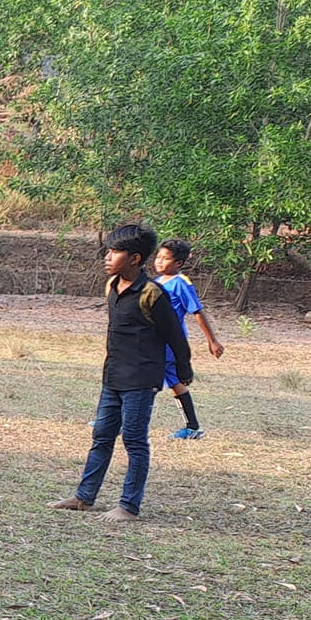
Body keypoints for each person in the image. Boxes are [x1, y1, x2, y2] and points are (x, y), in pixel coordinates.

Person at [51, 222, 194, 521]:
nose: (107, 257)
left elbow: (176, 337)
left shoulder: (152, 293)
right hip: (114, 376)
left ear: (135, 259)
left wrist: (183, 370)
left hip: (141, 379)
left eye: (115, 252)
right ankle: (84, 497)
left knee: (134, 441)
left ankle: (129, 506)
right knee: (102, 437)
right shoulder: (112, 286)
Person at [153, 240, 224, 439]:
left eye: (165, 258)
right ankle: (192, 427)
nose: (159, 261)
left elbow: (197, 311)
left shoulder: (180, 283)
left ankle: (122, 421)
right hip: (156, 340)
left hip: (170, 342)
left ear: (179, 263)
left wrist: (212, 341)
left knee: (146, 379)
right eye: (158, 256)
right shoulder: (158, 282)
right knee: (174, 382)